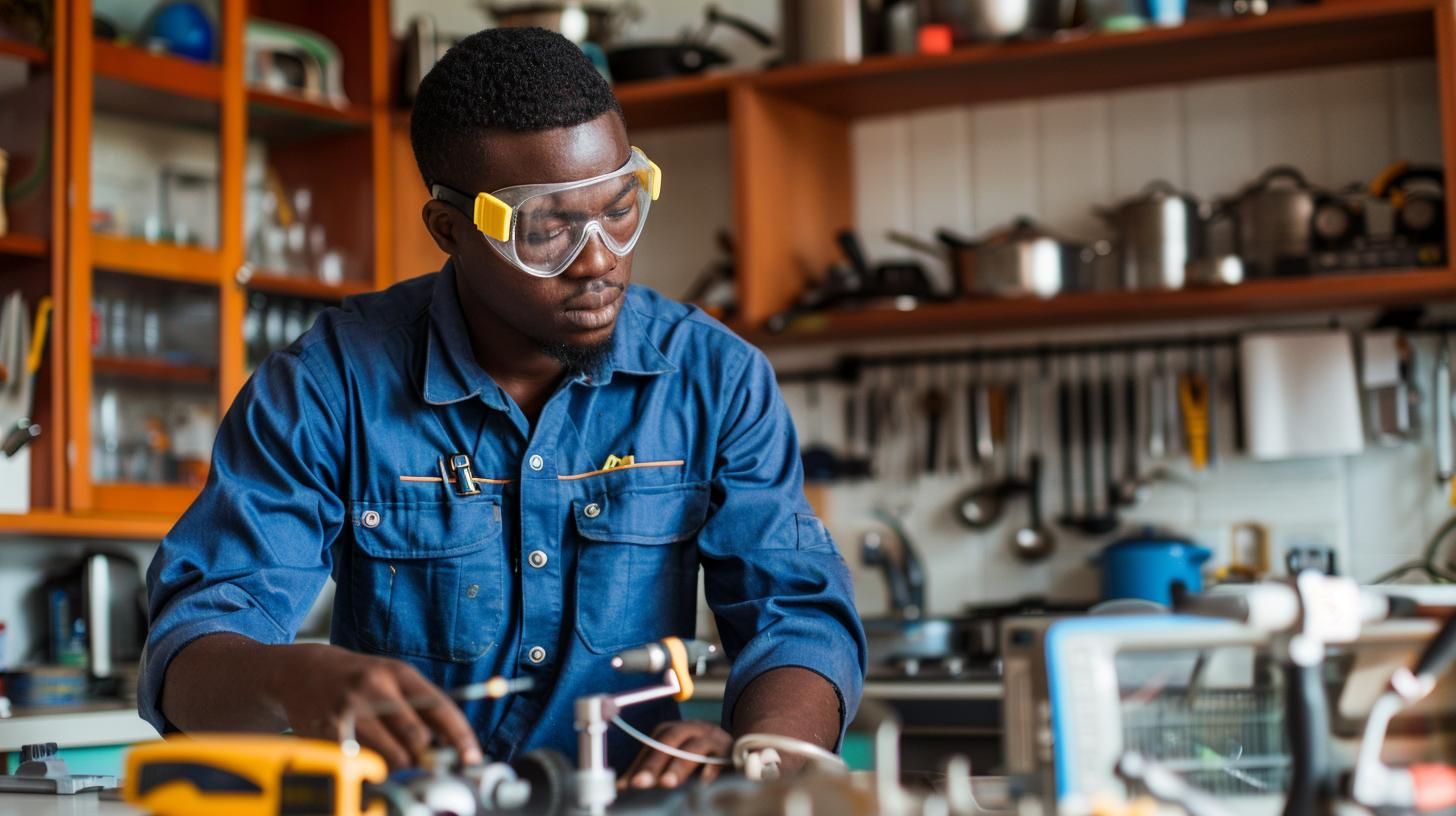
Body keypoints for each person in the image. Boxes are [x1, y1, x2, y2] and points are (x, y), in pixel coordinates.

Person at [140, 26, 866, 787]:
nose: (598, 260)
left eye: (620, 209)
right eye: (547, 230)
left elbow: (798, 615)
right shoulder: (329, 386)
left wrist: (762, 752)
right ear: (450, 230)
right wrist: (298, 679)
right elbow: (191, 643)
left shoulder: (715, 379)